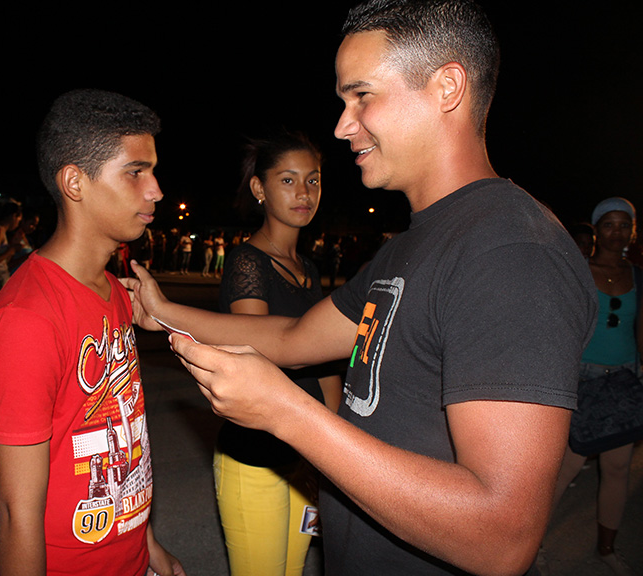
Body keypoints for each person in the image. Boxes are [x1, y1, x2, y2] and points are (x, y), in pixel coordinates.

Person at [122, 1, 597, 574]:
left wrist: (285, 412)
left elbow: (503, 536)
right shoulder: (409, 246)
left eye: (362, 96)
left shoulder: (512, 253)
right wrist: (165, 311)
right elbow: (296, 335)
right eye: (343, 101)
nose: (343, 125)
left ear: (447, 87)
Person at [0, 89, 184, 576]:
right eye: (135, 172)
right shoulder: (27, 319)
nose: (155, 189)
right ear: (75, 182)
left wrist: (146, 542)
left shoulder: (112, 290)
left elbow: (123, 430)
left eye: (152, 171)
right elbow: (15, 512)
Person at [215, 131, 342, 576]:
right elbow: (261, 360)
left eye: (313, 180)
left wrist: (337, 452)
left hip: (304, 451)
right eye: (287, 181)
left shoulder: (308, 268)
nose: (304, 193)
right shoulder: (246, 262)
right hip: (257, 457)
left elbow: (326, 365)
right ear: (259, 189)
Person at [548, 197, 642, 575]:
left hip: (622, 380)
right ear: (596, 228)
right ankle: (530, 543)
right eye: (609, 224)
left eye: (624, 225)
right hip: (580, 380)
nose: (616, 232)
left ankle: (606, 548)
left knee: (617, 469)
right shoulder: (577, 270)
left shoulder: (638, 276)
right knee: (566, 468)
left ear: (632, 231)